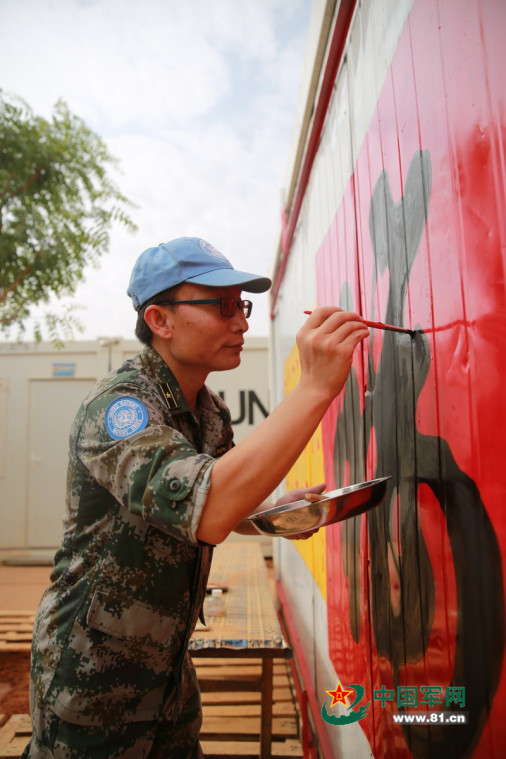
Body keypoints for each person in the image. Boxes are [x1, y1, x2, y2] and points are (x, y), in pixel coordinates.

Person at [23, 237, 369, 758]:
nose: (241, 323)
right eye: (221, 305)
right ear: (160, 320)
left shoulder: (207, 410)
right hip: (91, 678)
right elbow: (207, 510)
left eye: (242, 305)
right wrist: (315, 387)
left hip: (166, 669)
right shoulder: (120, 411)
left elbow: (214, 502)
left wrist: (273, 512)